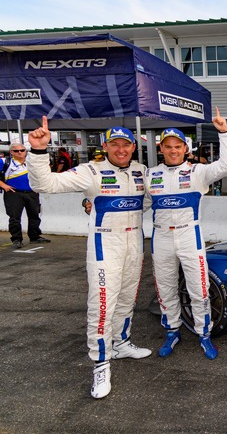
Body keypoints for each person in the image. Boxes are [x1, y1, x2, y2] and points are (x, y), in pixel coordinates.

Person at [27, 118, 151, 400]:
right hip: (105, 245)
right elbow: (45, 184)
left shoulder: (141, 171)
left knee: (127, 300)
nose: (121, 150)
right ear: (105, 146)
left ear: (133, 147)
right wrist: (37, 152)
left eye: (126, 145)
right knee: (103, 304)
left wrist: (91, 204)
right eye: (115, 145)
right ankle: (101, 363)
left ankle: (120, 343)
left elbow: (148, 201)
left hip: (135, 243)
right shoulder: (91, 171)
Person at [148, 112, 227, 361]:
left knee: (199, 288)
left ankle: (204, 333)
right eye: (168, 147)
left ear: (185, 148)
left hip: (190, 236)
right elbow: (136, 203)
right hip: (161, 238)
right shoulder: (150, 174)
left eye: (178, 146)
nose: (173, 151)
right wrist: (90, 204)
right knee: (165, 289)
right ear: (161, 148)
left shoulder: (198, 171)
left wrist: (224, 133)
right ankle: (172, 331)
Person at [1, 142, 51, 249]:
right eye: (16, 151)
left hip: (32, 192)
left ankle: (34, 236)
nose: (19, 152)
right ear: (11, 152)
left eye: (22, 150)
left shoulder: (31, 162)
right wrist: (3, 185)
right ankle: (16, 239)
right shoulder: (5, 161)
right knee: (14, 218)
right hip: (14, 193)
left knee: (34, 215)